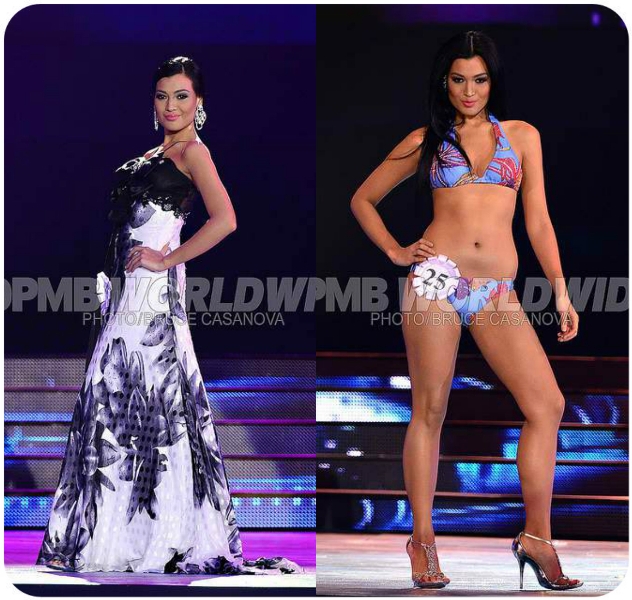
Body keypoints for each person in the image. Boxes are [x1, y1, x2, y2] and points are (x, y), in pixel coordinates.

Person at [36, 56, 300, 576]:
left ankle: (164, 538)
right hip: (123, 296)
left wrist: (166, 258)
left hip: (152, 297)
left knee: (153, 406)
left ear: (198, 103)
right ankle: (112, 539)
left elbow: (226, 220)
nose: (170, 105)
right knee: (112, 404)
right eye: (162, 96)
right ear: (152, 102)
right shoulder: (152, 155)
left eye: (181, 96)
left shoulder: (194, 152)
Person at [350, 32, 582, 590]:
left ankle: (538, 537)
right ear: (445, 82)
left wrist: (560, 289)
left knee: (547, 404)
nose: (469, 90)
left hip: (497, 289)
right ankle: (423, 541)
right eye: (458, 80)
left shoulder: (521, 136)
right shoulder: (426, 140)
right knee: (430, 410)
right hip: (436, 280)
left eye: (479, 79)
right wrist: (397, 251)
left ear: (492, 81)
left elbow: (538, 220)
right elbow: (362, 199)